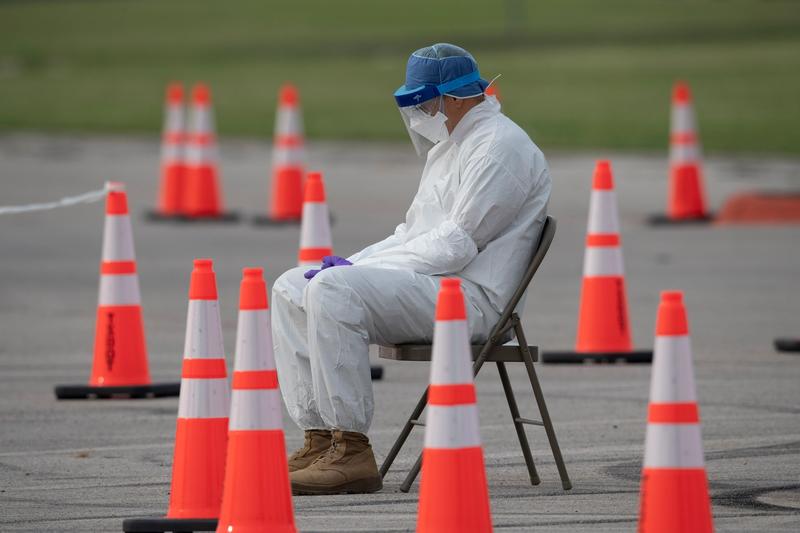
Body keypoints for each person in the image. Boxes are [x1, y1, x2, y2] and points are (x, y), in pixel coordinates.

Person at [272, 43, 552, 495]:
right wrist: (357, 261)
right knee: (291, 286)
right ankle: (320, 438)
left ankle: (352, 451)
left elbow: (455, 247)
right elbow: (411, 233)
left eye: (425, 100)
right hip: (436, 284)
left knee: (332, 291)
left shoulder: (501, 148)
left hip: (474, 298)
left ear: (459, 96)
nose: (420, 111)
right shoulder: (453, 145)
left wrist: (354, 272)